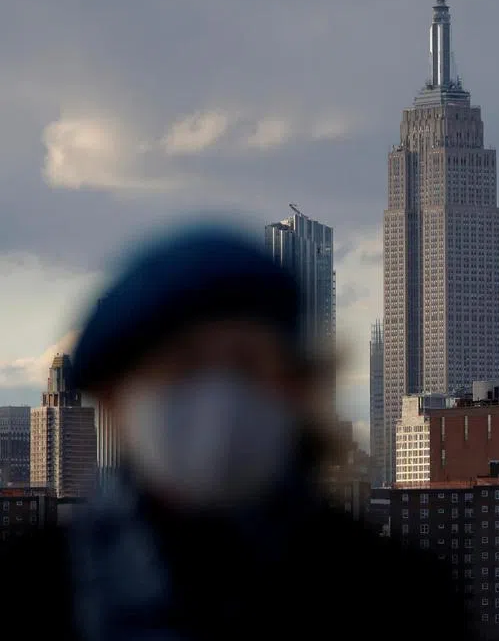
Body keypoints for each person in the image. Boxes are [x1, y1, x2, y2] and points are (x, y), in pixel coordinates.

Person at [0, 224, 473, 640]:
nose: (219, 394)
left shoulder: (398, 596)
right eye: (183, 365)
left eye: (247, 365)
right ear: (115, 398)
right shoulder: (34, 591)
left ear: (295, 387)